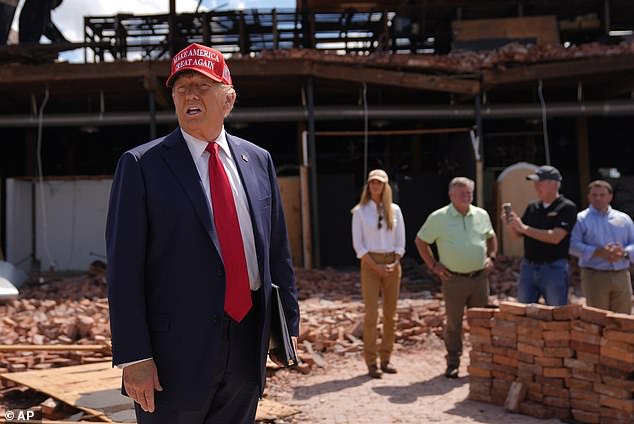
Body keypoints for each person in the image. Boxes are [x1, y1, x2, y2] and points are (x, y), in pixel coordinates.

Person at [106, 43, 299, 424]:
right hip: (172, 354)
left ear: (228, 99)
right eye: (181, 88)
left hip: (246, 344)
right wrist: (135, 356)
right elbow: (124, 269)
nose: (190, 94)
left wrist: (285, 328)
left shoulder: (258, 160)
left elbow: (277, 251)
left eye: (202, 85)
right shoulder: (141, 166)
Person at [415, 177, 497, 379]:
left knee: (481, 321)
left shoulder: (481, 214)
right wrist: (433, 265)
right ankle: (453, 363)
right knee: (454, 324)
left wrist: (492, 257)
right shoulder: (438, 217)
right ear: (451, 195)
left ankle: (482, 362)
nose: (466, 196)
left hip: (479, 278)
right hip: (454, 280)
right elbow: (420, 241)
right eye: (462, 193)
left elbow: (491, 236)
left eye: (469, 192)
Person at [351, 169, 405, 379]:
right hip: (370, 264)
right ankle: (371, 361)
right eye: (373, 183)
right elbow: (359, 245)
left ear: (386, 186)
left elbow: (401, 242)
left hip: (392, 263)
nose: (376, 186)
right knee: (371, 314)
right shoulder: (360, 211)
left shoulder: (395, 210)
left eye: (380, 183)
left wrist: (395, 262)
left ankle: (386, 358)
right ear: (368, 185)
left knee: (391, 315)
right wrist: (376, 267)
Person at [506, 165, 577, 306]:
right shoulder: (533, 207)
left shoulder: (566, 207)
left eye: (540, 182)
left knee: (556, 314)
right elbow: (516, 235)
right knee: (523, 313)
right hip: (528, 267)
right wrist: (510, 224)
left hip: (553, 268)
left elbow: (555, 237)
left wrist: (525, 228)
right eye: (535, 182)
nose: (536, 186)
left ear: (555, 184)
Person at [570, 180, 634, 314]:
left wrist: (623, 253)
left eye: (602, 195)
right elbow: (572, 245)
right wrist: (598, 252)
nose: (598, 198)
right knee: (598, 319)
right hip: (595, 274)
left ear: (610, 196)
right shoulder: (581, 219)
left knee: (623, 318)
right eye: (594, 195)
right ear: (588, 197)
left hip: (621, 274)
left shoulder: (624, 219)